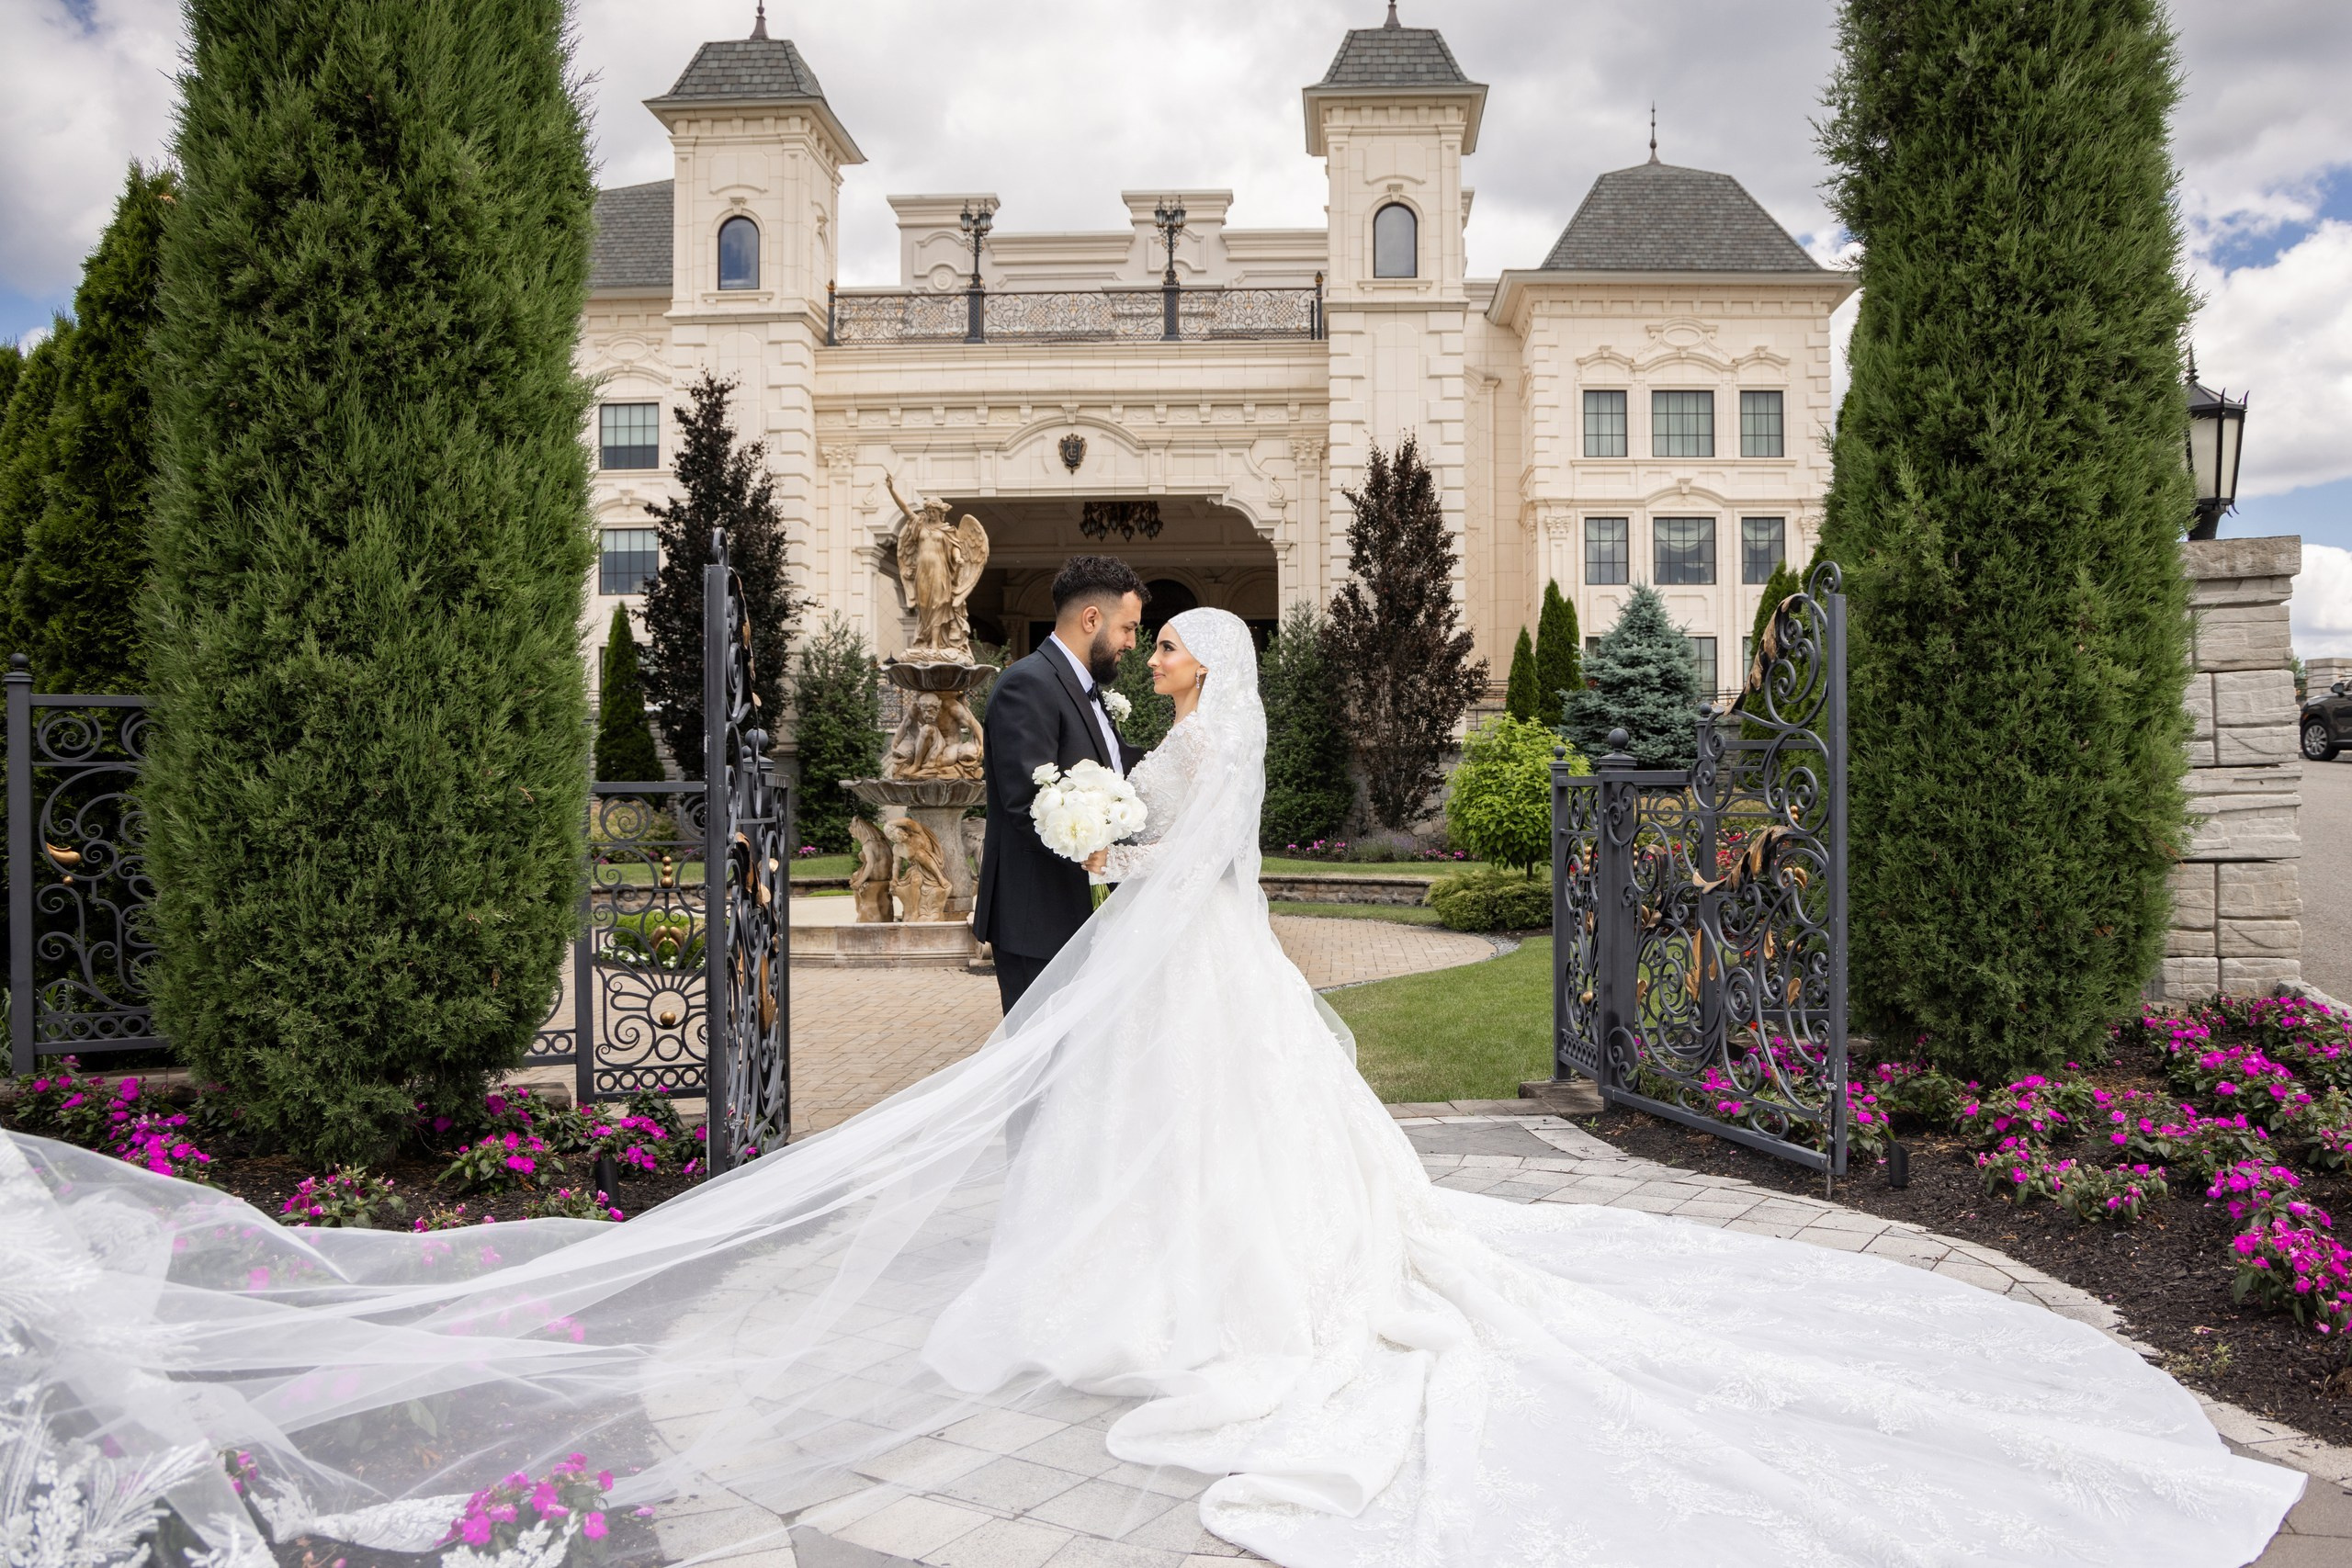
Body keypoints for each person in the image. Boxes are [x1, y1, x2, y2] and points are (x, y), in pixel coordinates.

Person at [1, 608, 2307, 1568]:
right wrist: (1098, 838)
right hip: (1185, 967)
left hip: (1175, 963)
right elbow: (1102, 835)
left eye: (1170, 654)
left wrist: (1107, 838)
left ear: (1186, 676)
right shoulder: (1153, 727)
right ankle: (1184, 1280)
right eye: (1163, 651)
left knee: (1213, 1138)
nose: (1164, 660)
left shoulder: (1178, 736)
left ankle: (1195, 1297)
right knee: (1221, 1137)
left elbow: (1128, 841)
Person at [973, 554, 1147, 1011]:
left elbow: (1116, 768)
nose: (1132, 642)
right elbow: (1027, 801)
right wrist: (1098, 855)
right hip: (1040, 917)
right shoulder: (1027, 684)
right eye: (1127, 628)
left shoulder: (1080, 686)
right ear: (1092, 618)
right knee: (1042, 1071)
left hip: (1084, 911)